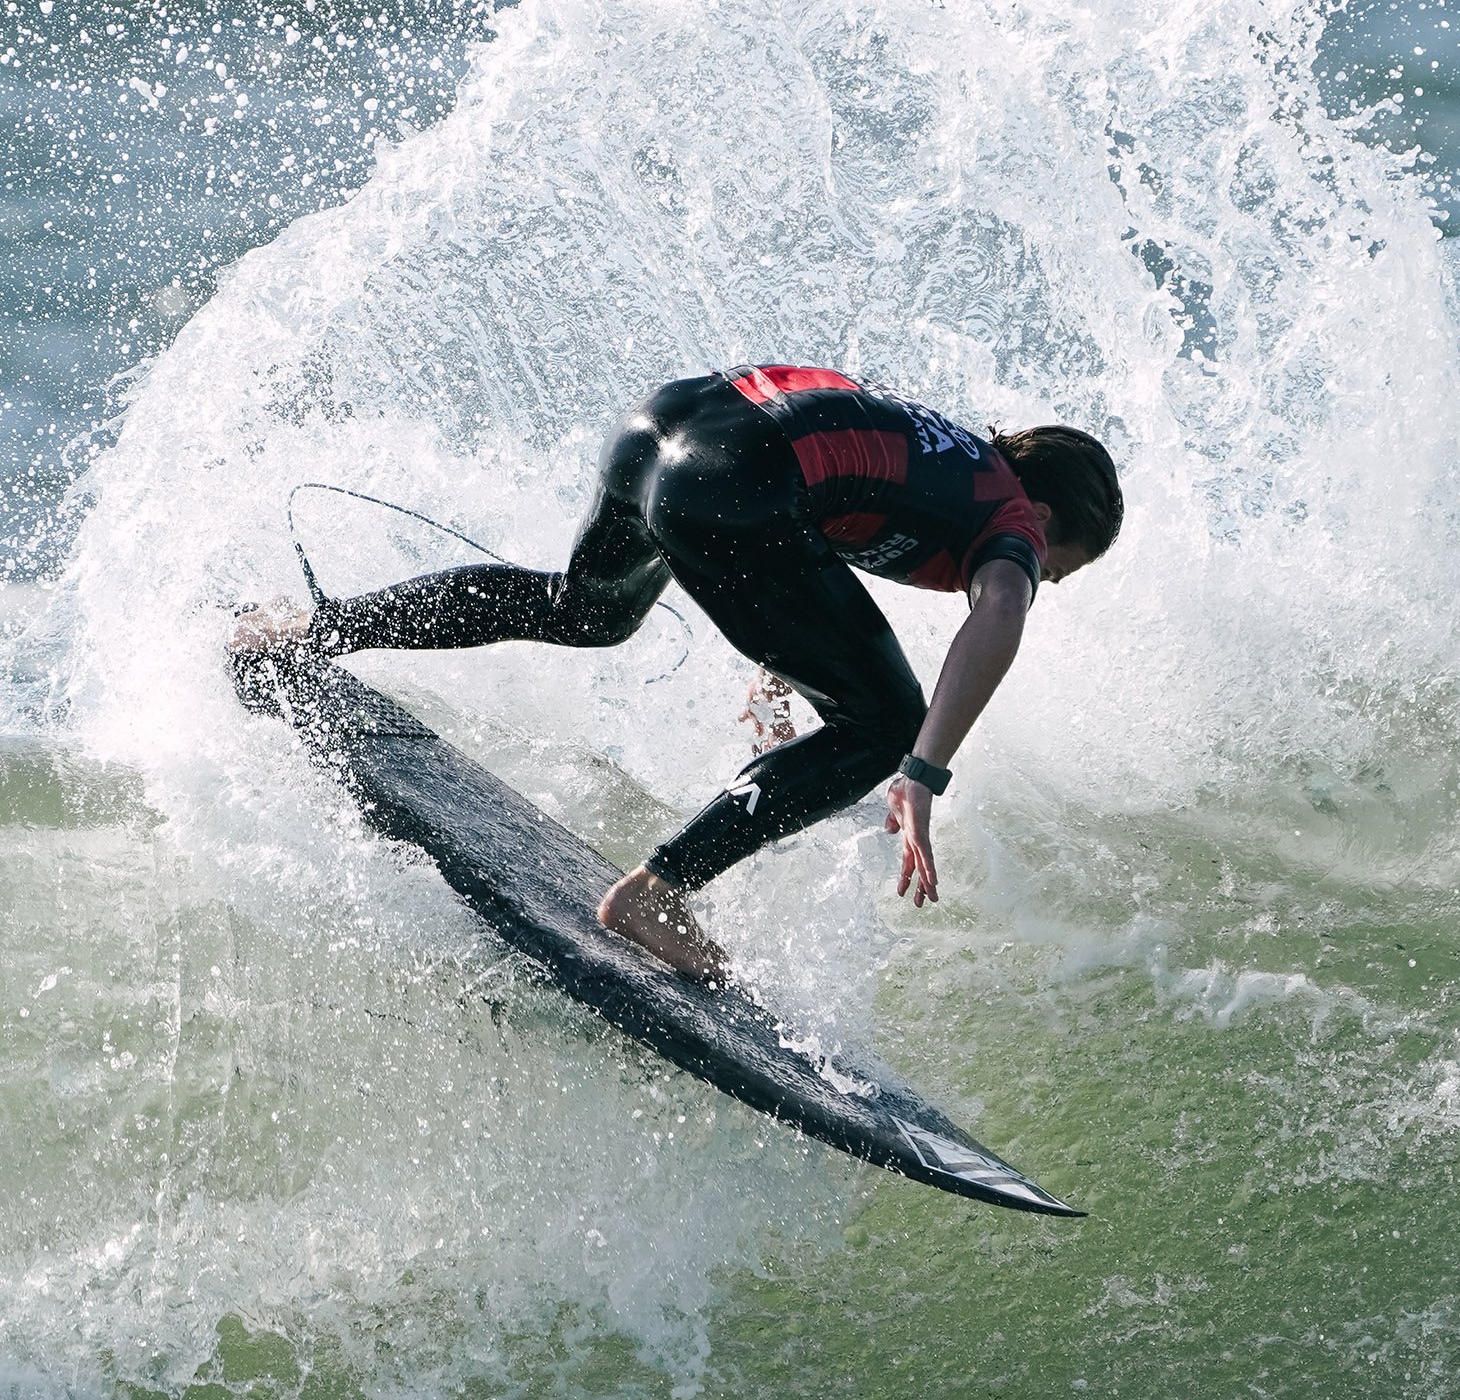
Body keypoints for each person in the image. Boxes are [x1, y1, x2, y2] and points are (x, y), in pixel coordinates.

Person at [231, 365, 1122, 979]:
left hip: (659, 427)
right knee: (887, 720)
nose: (1037, 574)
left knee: (585, 610)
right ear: (1044, 516)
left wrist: (784, 664)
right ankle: (655, 895)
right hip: (737, 483)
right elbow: (998, 610)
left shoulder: (950, 458)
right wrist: (922, 771)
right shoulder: (1009, 518)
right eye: (1056, 567)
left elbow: (825, 485)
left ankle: (303, 630)